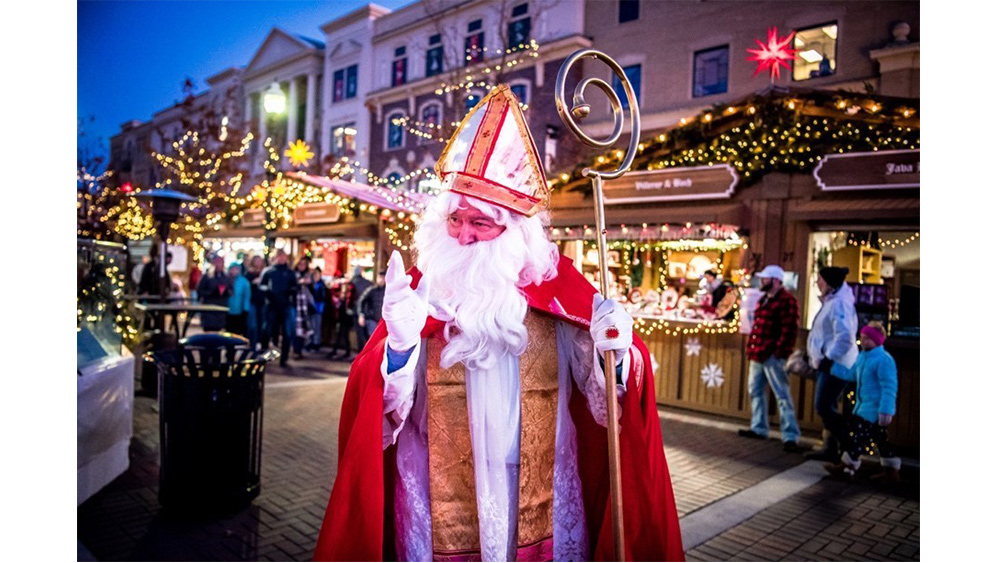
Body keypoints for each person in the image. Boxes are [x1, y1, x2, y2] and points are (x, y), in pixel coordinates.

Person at [315, 85, 683, 561]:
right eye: (455, 220)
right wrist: (400, 349)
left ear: (515, 231)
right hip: (434, 485)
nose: (464, 236)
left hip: (541, 486)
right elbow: (379, 414)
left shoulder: (559, 289)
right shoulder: (423, 288)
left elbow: (608, 399)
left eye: (480, 224)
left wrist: (617, 349)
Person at [824, 322, 900, 483]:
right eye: (862, 338)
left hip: (873, 409)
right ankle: (891, 470)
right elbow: (852, 374)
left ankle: (847, 465)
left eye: (867, 339)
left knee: (858, 438)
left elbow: (889, 386)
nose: (863, 341)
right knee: (880, 440)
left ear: (877, 340)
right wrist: (832, 368)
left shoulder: (884, 360)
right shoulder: (863, 357)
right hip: (864, 406)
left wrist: (886, 410)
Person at [738, 265, 802, 452]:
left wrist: (780, 351)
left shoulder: (787, 301)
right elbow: (756, 325)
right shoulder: (763, 299)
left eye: (765, 279)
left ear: (776, 280)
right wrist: (751, 347)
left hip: (772, 355)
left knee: (782, 395)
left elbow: (789, 328)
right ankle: (759, 427)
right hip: (758, 353)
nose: (762, 281)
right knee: (755, 391)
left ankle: (790, 435)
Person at [805, 265, 859, 461]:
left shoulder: (839, 304)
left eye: (820, 280)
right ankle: (832, 448)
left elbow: (845, 337)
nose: (818, 283)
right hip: (829, 363)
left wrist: (828, 358)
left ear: (829, 283)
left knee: (823, 405)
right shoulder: (833, 301)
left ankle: (849, 447)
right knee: (827, 405)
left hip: (836, 365)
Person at [260, 249, 298, 366]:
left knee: (287, 333)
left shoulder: (290, 273)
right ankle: (266, 356)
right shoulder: (268, 271)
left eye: (283, 256)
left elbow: (295, 287)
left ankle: (284, 358)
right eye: (279, 256)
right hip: (271, 306)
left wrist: (290, 292)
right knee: (268, 331)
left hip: (285, 306)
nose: (282, 258)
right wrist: (268, 293)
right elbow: (262, 286)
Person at [196, 255, 230, 332]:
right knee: (209, 331)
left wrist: (225, 292)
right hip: (209, 308)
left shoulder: (225, 277)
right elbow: (200, 290)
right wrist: (211, 292)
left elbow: (230, 290)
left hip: (220, 308)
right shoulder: (207, 277)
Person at [356, 269, 386, 345]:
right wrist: (361, 315)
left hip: (384, 321)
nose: (382, 280)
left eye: (383, 277)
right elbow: (360, 301)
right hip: (372, 319)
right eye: (380, 277)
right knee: (372, 342)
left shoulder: (389, 291)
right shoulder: (372, 290)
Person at [244, 255, 267, 350]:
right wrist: (252, 283)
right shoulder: (248, 274)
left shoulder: (265, 273)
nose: (258, 263)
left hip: (263, 302)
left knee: (263, 325)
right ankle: (252, 344)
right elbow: (245, 287)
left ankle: (261, 344)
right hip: (252, 302)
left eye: (259, 261)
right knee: (252, 325)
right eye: (256, 261)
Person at [348, 265, 372, 349]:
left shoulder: (352, 282)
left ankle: (361, 353)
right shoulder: (368, 283)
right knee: (367, 334)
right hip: (367, 312)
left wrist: (349, 308)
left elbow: (350, 297)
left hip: (356, 310)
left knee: (360, 334)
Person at [306, 267, 328, 352]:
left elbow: (322, 298)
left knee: (317, 327)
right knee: (311, 327)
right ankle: (311, 343)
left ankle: (316, 344)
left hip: (318, 309)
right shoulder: (312, 284)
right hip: (312, 308)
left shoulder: (321, 285)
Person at [226, 262, 251, 336]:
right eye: (232, 269)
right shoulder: (226, 280)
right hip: (227, 310)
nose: (234, 271)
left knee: (238, 331)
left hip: (239, 311)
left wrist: (245, 309)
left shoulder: (244, 282)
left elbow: (247, 296)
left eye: (236, 269)